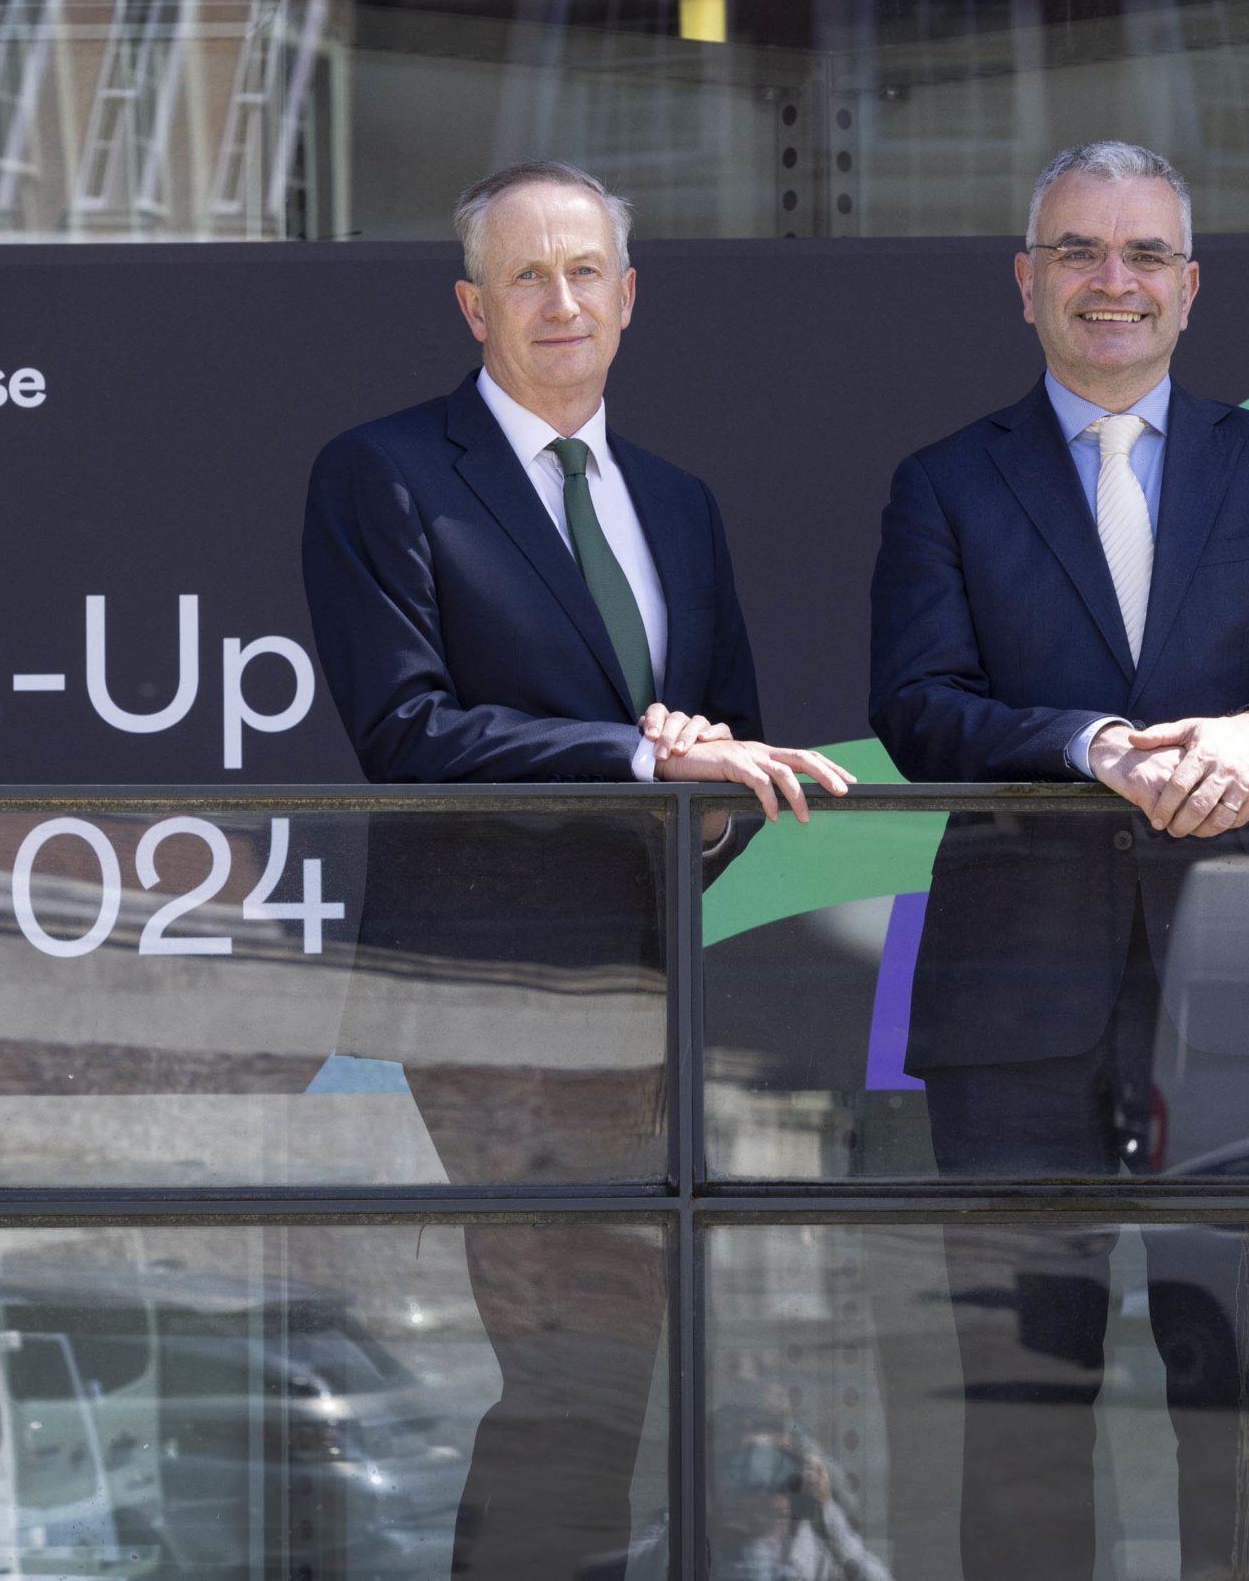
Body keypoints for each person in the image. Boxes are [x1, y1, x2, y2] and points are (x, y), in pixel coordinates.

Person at [302, 159, 851, 1580]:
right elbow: (408, 732)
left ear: (629, 296)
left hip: (645, 999)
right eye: (528, 276)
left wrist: (710, 799)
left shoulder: (677, 503)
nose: (562, 301)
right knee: (575, 1363)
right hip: (487, 993)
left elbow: (722, 748)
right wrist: (636, 759)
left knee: (606, 1369)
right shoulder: (385, 474)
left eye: (586, 271)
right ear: (473, 307)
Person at [868, 140, 1249, 1580]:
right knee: (1021, 1397)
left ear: (1191, 285)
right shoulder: (943, 482)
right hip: (1013, 1000)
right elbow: (917, 706)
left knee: (1247, 1387)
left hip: (1240, 987)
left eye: (1146, 252)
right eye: (1081, 251)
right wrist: (1088, 743)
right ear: (1025, 280)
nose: (1116, 281)